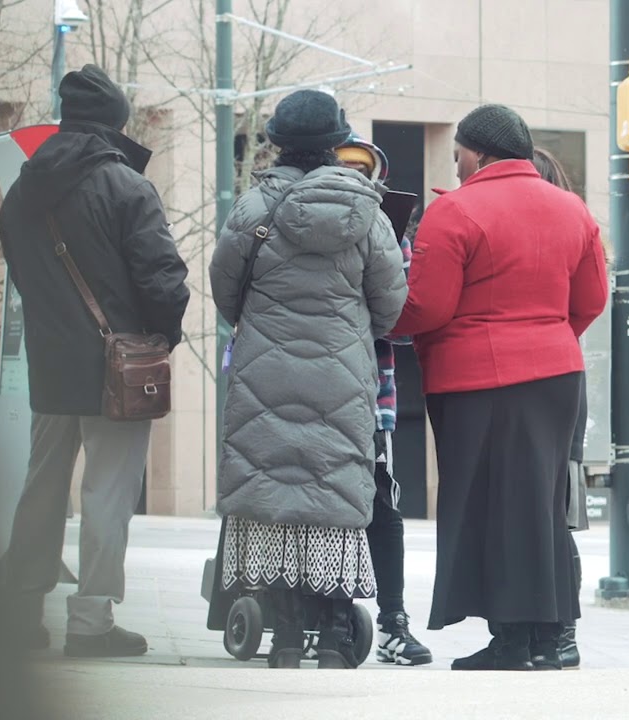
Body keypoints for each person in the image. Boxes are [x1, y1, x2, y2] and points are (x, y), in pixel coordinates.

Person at [391, 104, 609, 671]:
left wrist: (381, 321)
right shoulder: (573, 210)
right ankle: (546, 638)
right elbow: (590, 301)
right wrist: (548, 338)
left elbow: (427, 307)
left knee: (486, 505)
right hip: (559, 377)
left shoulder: (456, 211)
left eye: (459, 151)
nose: (456, 163)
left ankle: (510, 641)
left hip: (475, 381)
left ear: (480, 152)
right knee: (539, 504)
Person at [0, 64, 191, 658]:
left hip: (51, 363)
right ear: (115, 122)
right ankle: (90, 624)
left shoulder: (23, 190)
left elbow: (22, 271)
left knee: (42, 487)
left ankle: (21, 614)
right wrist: (158, 338)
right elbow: (164, 279)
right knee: (107, 493)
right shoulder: (126, 187)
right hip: (118, 366)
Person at [210, 90, 407, 670]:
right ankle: (338, 636)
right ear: (335, 144)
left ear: (277, 143)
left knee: (274, 491)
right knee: (333, 490)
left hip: (263, 374)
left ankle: (287, 636)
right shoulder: (368, 214)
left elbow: (227, 293)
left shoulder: (252, 210)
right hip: (342, 377)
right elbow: (390, 307)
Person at [335, 134, 434, 666]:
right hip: (366, 395)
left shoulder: (387, 233)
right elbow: (398, 324)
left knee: (370, 505)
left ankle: (358, 618)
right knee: (375, 505)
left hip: (356, 394)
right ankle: (384, 622)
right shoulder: (386, 232)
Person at [532, 147, 590, 670]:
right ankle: (553, 635)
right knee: (553, 518)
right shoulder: (572, 225)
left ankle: (562, 633)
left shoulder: (565, 230)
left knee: (555, 518)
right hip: (563, 380)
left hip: (555, 384)